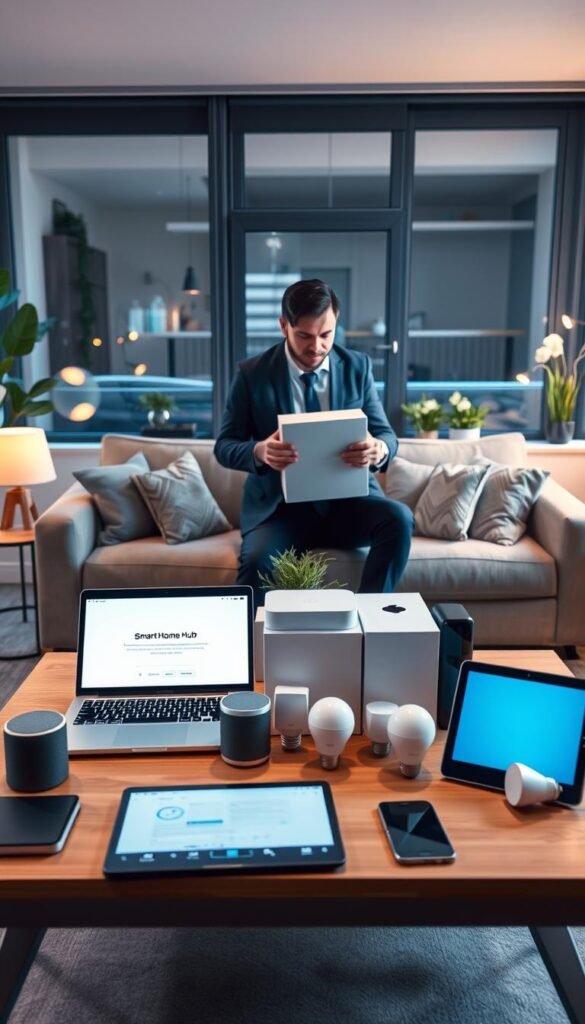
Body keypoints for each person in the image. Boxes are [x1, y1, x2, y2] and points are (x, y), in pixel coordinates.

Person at [214, 279, 413, 606]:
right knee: (254, 566)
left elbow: (387, 435)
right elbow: (224, 446)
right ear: (284, 326)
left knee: (399, 519)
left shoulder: (357, 367)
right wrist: (260, 451)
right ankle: (256, 650)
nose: (317, 347)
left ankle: (367, 618)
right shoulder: (252, 374)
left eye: (326, 335)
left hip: (349, 503)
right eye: (304, 335)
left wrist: (380, 448)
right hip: (279, 511)